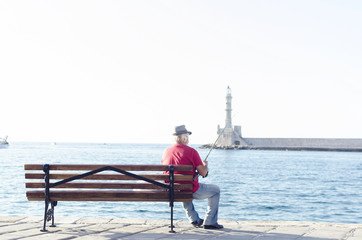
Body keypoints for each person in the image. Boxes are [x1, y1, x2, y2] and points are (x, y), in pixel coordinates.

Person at [161, 125, 223, 229]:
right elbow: (203, 173)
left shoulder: (166, 151)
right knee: (216, 190)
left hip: (172, 189)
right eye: (187, 136)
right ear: (184, 138)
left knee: (182, 185)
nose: (188, 139)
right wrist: (205, 166)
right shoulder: (192, 151)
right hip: (189, 189)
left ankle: (194, 219)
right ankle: (210, 222)